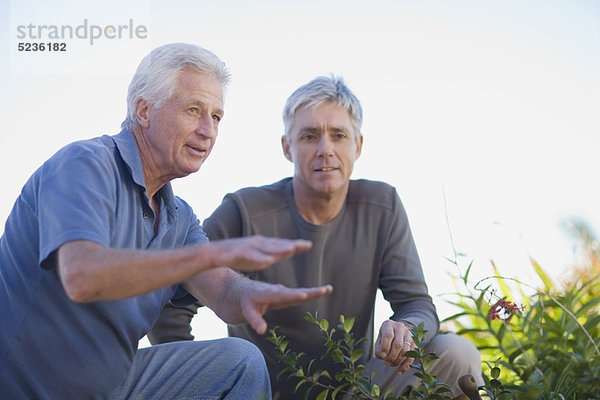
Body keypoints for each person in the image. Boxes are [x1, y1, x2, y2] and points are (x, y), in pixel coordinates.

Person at [0, 43, 333, 399]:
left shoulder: (179, 217)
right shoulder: (85, 165)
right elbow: (83, 276)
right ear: (144, 111)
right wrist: (203, 257)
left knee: (241, 362)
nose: (208, 130)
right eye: (194, 110)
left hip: (114, 386)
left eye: (217, 117)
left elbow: (221, 290)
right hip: (27, 387)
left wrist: (252, 292)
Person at [150, 75, 483, 399]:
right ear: (287, 147)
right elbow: (169, 304)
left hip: (358, 389)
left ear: (358, 145)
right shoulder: (244, 211)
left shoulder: (383, 206)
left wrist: (407, 328)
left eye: (338, 135)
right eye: (309, 136)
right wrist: (200, 382)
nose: (326, 150)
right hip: (262, 392)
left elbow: (417, 304)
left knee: (455, 352)